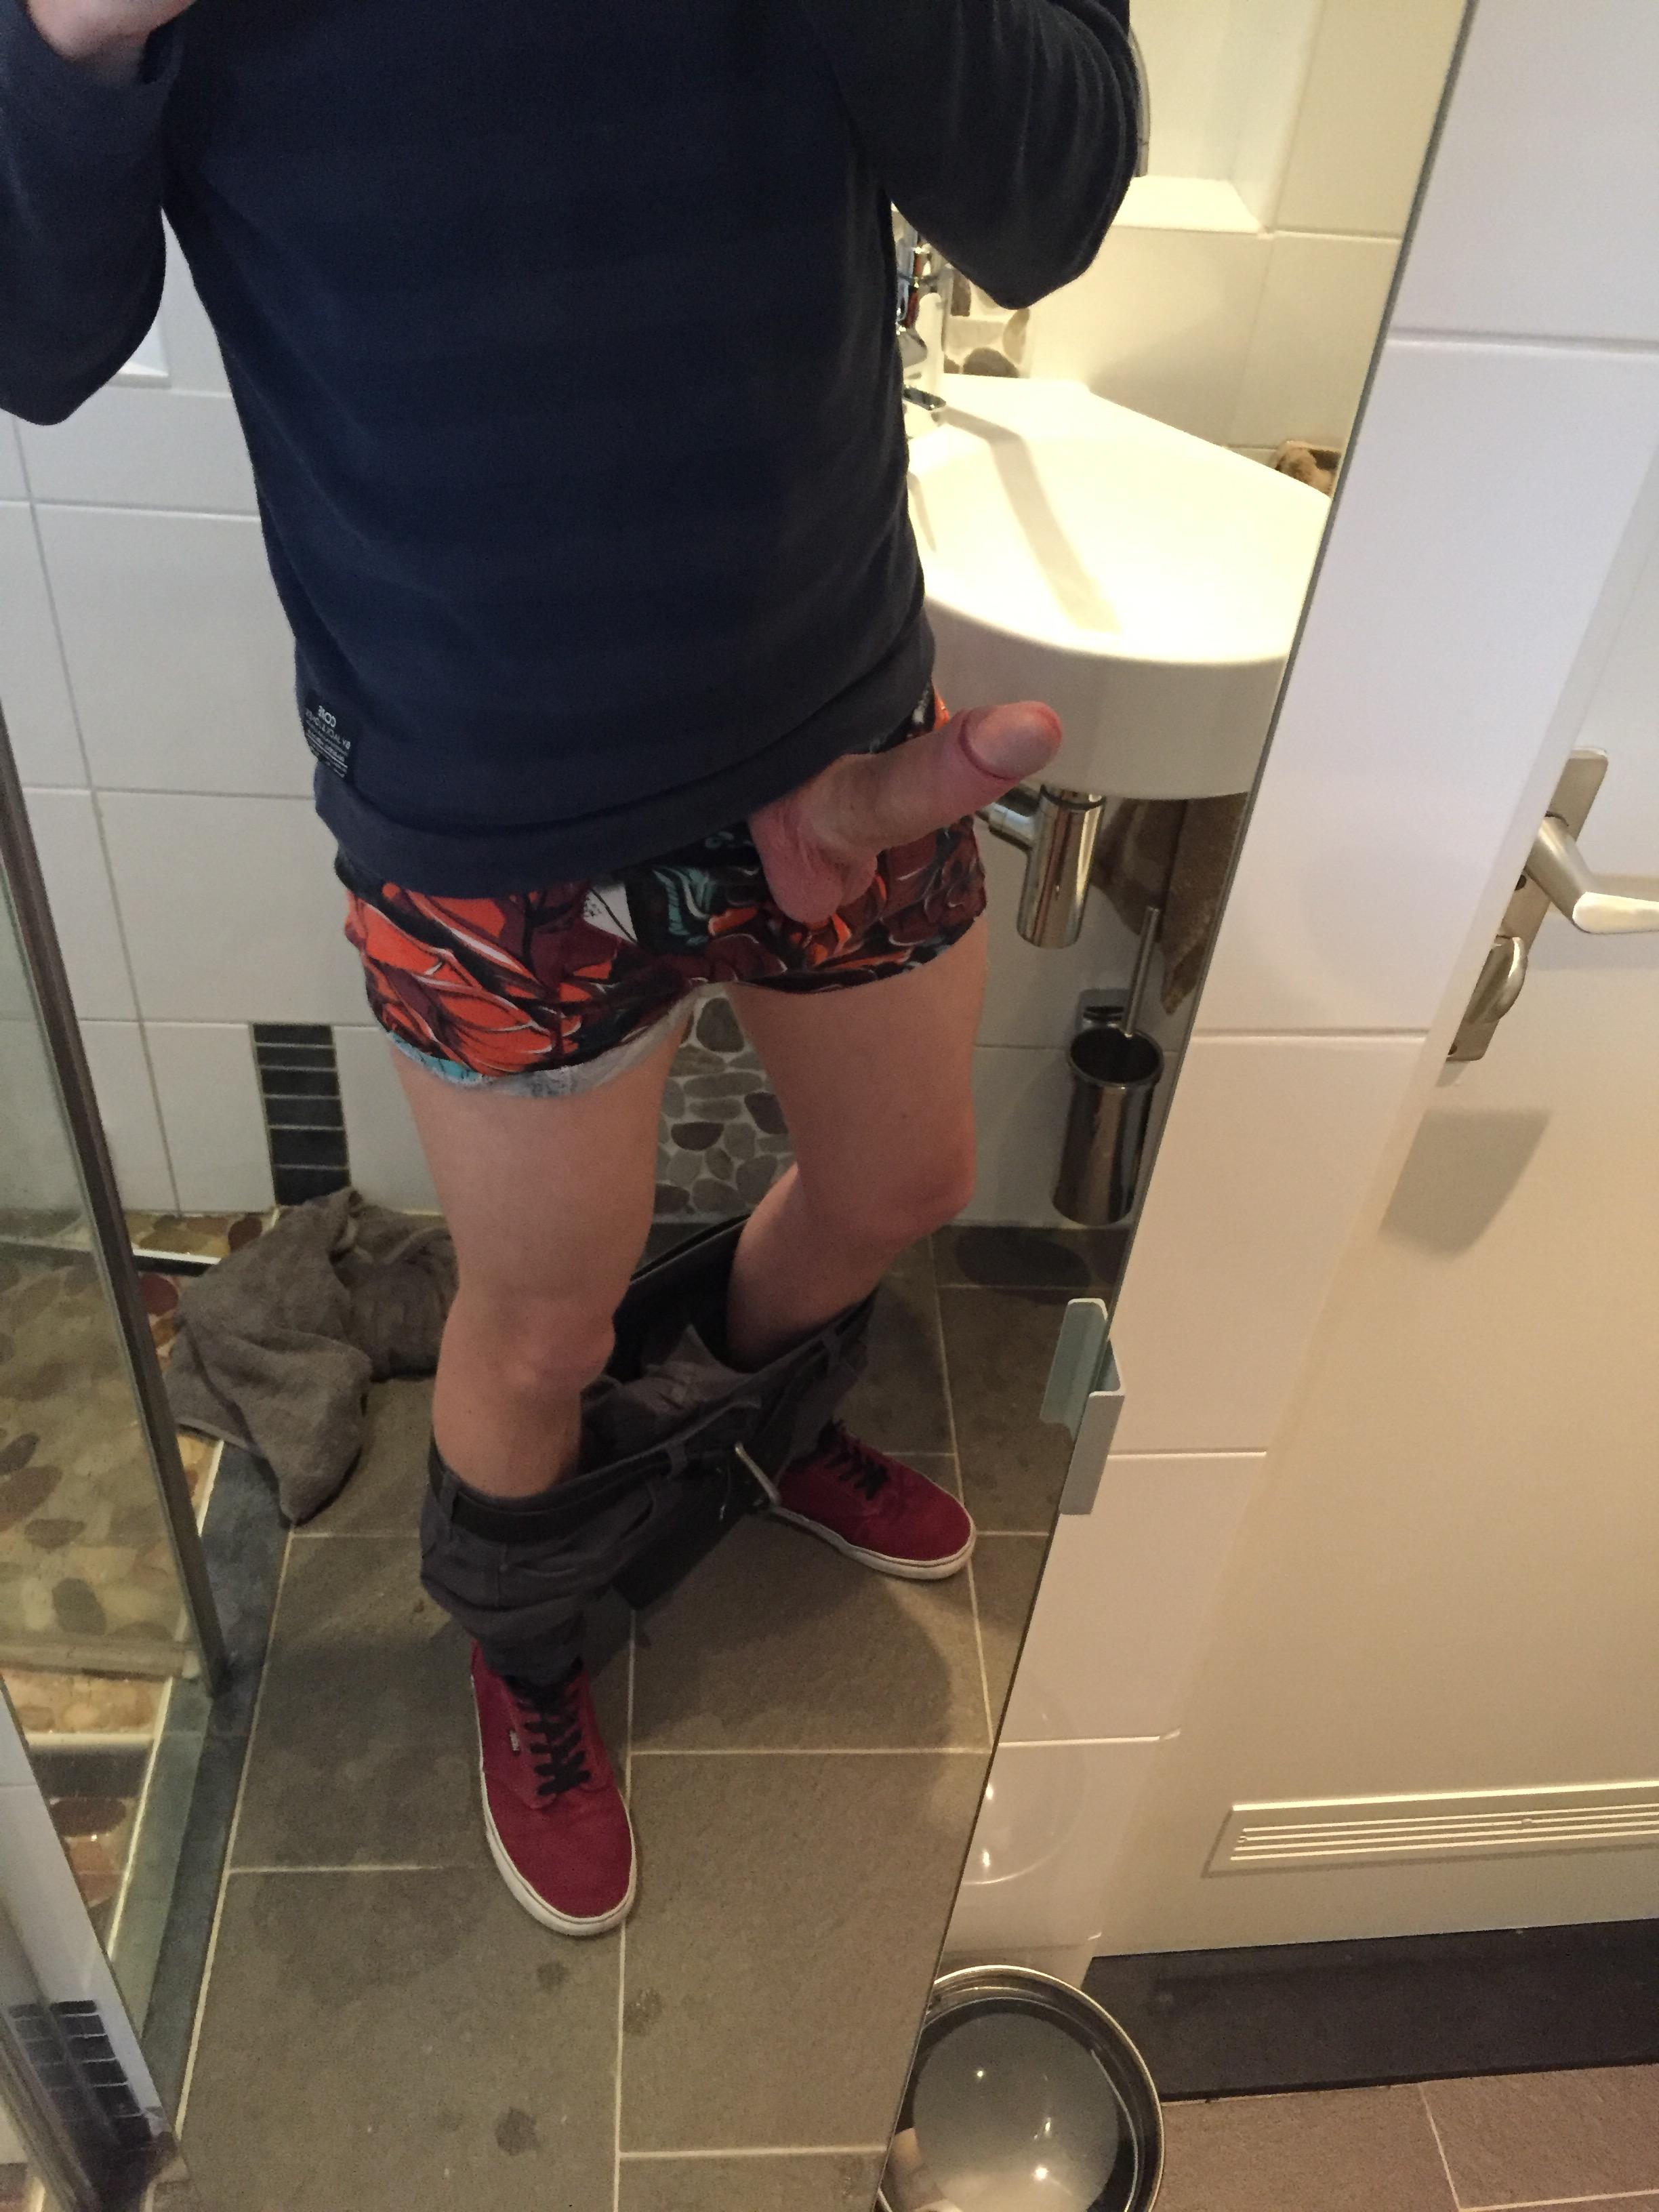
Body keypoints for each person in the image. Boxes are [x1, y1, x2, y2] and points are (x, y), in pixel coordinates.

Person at [1, 0, 1139, 1936]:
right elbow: (35, 345)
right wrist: (76, 27)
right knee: (539, 1327)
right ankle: (528, 1641)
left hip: (834, 719)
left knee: (902, 1183)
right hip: (479, 797)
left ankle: (752, 1429)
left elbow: (1049, 200)